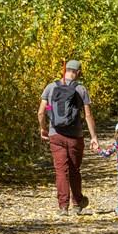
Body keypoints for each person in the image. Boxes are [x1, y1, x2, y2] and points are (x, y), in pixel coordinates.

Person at [38, 60, 99, 216]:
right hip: (75, 136)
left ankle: (63, 207)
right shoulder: (80, 89)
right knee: (74, 170)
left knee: (61, 172)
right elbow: (88, 115)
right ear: (78, 72)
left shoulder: (51, 87)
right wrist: (94, 137)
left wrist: (44, 129)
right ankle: (77, 203)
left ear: (65, 70)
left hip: (55, 134)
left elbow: (41, 112)